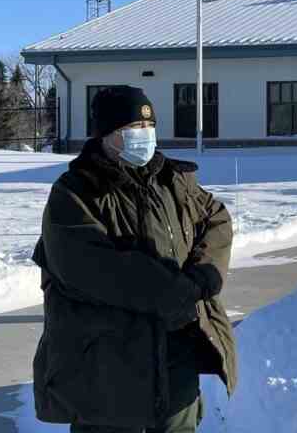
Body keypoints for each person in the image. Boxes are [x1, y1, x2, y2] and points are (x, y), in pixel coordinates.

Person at [32, 85, 237, 432]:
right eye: (131, 129)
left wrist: (205, 274)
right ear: (106, 136)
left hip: (177, 352)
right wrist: (180, 291)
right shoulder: (75, 193)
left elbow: (216, 220)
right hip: (106, 366)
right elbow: (98, 269)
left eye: (148, 127)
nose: (143, 136)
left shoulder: (174, 181)